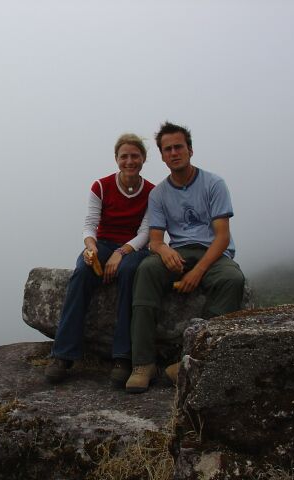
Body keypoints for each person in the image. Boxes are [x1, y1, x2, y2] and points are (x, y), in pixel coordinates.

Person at [124, 122, 245, 394]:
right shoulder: (158, 194)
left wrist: (197, 272)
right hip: (178, 251)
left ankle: (195, 360)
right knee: (146, 270)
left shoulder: (213, 184)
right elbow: (156, 239)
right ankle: (143, 364)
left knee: (232, 279)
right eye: (167, 149)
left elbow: (222, 237)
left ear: (190, 150)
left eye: (178, 147)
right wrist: (164, 250)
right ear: (162, 156)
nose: (174, 153)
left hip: (212, 251)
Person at [45, 133, 155, 385]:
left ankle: (122, 357)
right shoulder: (101, 186)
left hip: (134, 247)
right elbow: (90, 224)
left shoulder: (152, 192)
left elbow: (145, 232)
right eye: (124, 156)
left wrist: (121, 252)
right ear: (116, 159)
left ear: (143, 158)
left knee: (129, 273)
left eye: (135, 156)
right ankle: (63, 355)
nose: (129, 161)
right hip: (103, 243)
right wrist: (91, 247)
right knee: (82, 273)